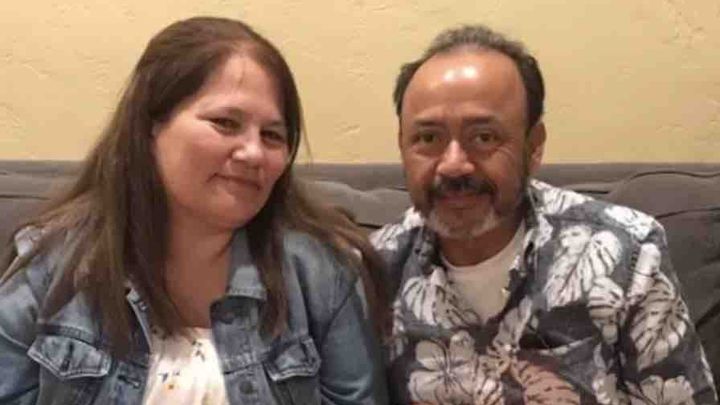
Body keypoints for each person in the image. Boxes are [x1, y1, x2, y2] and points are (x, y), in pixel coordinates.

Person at [0, 16, 388, 404]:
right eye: (226, 123)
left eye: (272, 135)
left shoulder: (323, 277)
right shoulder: (49, 268)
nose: (254, 152)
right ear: (150, 126)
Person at [371, 25, 717, 404]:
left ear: (533, 147)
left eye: (484, 137)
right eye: (428, 138)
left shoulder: (627, 254)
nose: (453, 165)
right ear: (402, 146)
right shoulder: (372, 270)